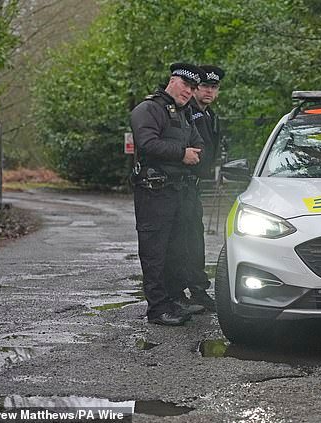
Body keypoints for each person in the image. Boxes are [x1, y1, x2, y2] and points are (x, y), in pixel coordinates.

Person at [130, 63, 207, 326]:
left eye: (193, 88)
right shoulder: (148, 109)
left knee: (176, 250)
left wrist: (189, 153)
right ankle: (157, 309)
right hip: (154, 191)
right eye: (185, 85)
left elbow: (198, 144)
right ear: (172, 81)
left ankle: (173, 300)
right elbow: (147, 144)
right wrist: (181, 154)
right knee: (155, 252)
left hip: (178, 191)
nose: (189, 92)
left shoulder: (184, 113)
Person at [181, 65, 226, 311]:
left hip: (194, 185)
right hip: (183, 183)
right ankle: (188, 291)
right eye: (204, 86)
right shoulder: (187, 113)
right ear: (195, 88)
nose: (209, 91)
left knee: (194, 239)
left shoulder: (208, 115)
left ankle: (197, 289)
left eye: (213, 87)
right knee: (186, 240)